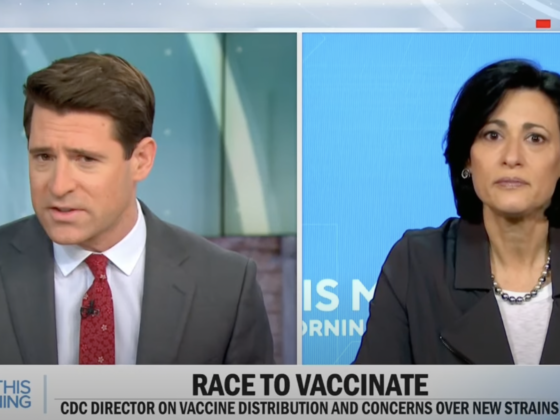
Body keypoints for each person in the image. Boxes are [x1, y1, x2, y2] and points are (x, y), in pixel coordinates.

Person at [0, 52, 274, 365]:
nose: (59, 186)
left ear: (141, 160)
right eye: (44, 157)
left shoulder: (227, 286)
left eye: (85, 159)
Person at [354, 59, 560, 365]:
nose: (512, 157)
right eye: (493, 135)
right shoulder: (416, 264)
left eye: (535, 138)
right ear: (467, 158)